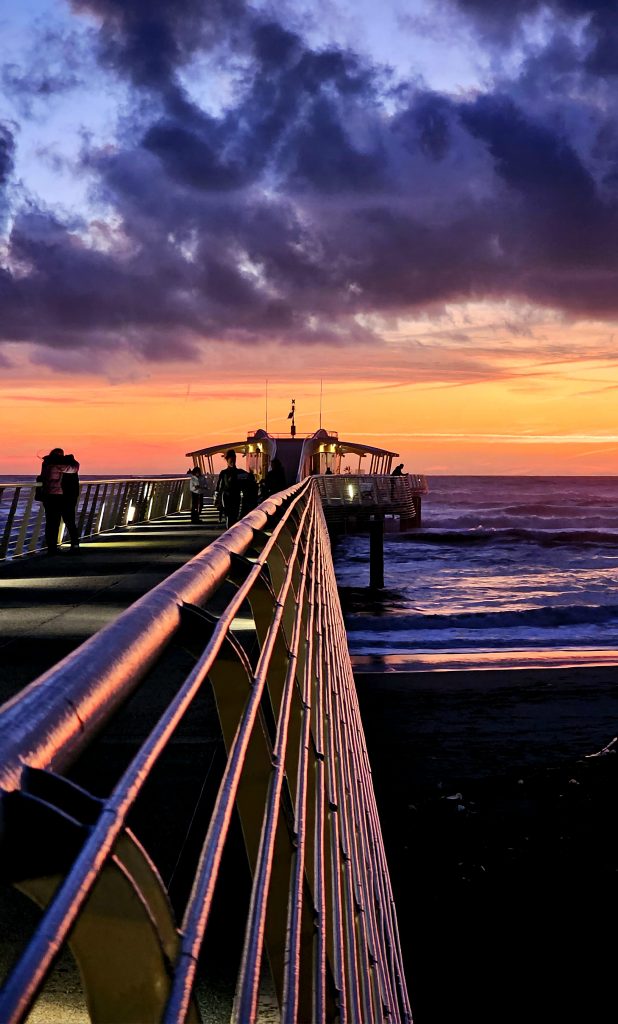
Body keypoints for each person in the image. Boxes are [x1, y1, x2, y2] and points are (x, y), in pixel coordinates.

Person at [40, 447, 80, 554]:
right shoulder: (60, 465)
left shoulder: (46, 464)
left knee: (51, 523)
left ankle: (51, 548)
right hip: (61, 497)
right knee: (69, 521)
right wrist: (72, 459)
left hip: (49, 497)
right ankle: (75, 545)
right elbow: (74, 468)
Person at [214, 449, 247, 529]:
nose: (233, 461)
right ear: (227, 460)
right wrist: (216, 499)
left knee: (234, 515)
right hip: (227, 497)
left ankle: (230, 530)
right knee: (229, 515)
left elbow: (218, 487)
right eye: (231, 460)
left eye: (234, 460)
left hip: (235, 496)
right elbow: (219, 487)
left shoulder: (240, 472)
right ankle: (229, 530)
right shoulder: (226, 473)